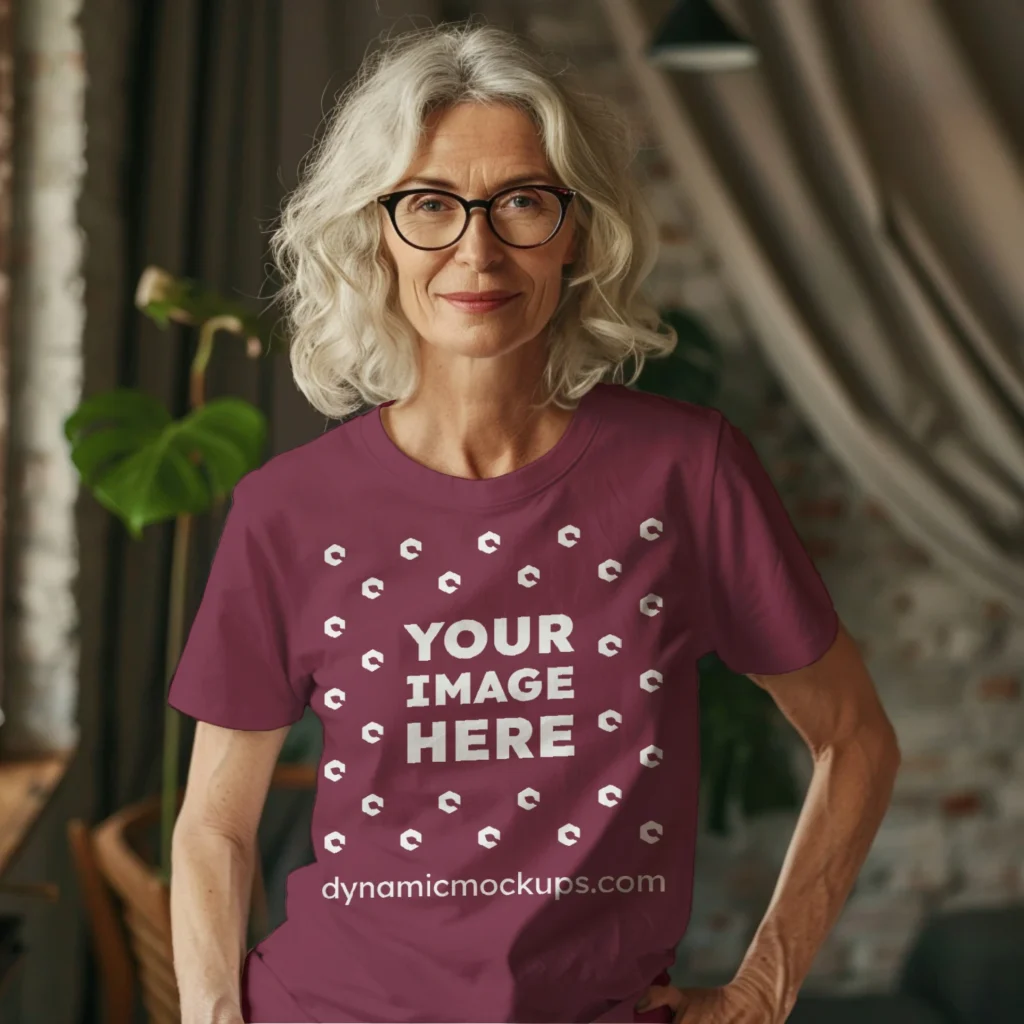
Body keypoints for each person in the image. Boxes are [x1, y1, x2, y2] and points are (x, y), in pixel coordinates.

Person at [167, 20, 901, 1024]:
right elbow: (214, 826)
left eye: (520, 202)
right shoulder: (287, 511)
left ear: (578, 233)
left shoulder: (683, 473)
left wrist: (766, 985)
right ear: (376, 234)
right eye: (429, 204)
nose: (476, 248)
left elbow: (855, 737)